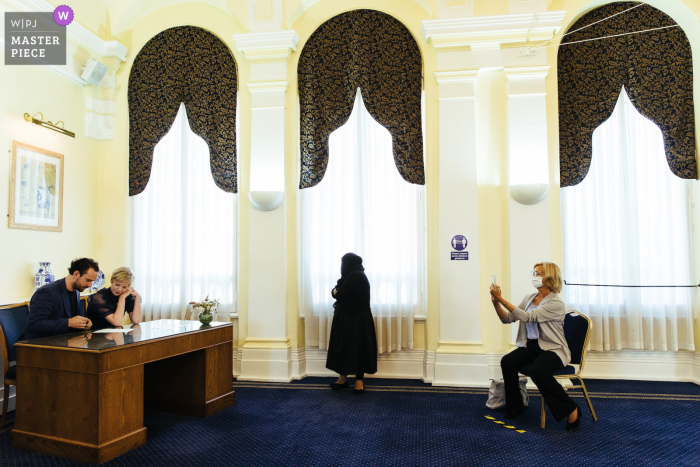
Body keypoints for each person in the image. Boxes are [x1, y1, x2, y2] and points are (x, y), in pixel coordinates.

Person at [490, 262, 582, 431]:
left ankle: (571, 408)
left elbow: (527, 317)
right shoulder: (529, 298)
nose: (534, 276)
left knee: (538, 372)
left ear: (550, 278)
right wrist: (496, 302)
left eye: (538, 273)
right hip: (532, 346)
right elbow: (507, 319)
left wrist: (502, 299)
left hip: (553, 349)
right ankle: (515, 405)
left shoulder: (555, 303)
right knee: (508, 361)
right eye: (533, 272)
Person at [326, 253, 377, 394]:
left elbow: (339, 293)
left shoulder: (355, 275)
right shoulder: (352, 274)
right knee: (345, 348)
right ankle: (343, 379)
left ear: (347, 264)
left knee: (357, 349)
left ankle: (358, 382)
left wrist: (336, 292)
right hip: (350, 318)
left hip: (356, 319)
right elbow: (335, 291)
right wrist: (336, 291)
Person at [23, 258, 98, 340]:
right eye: (88, 280)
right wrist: (68, 322)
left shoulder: (76, 292)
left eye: (92, 281)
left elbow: (71, 323)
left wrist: (84, 324)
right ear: (76, 274)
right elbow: (34, 324)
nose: (90, 285)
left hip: (65, 342)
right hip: (42, 344)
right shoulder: (47, 292)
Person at [87, 267, 142, 331]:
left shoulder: (127, 295)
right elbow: (117, 322)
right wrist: (122, 297)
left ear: (129, 287)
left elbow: (136, 320)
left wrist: (137, 295)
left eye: (124, 287)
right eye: (117, 285)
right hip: (96, 336)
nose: (119, 289)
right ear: (111, 280)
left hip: (115, 334)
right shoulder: (98, 297)